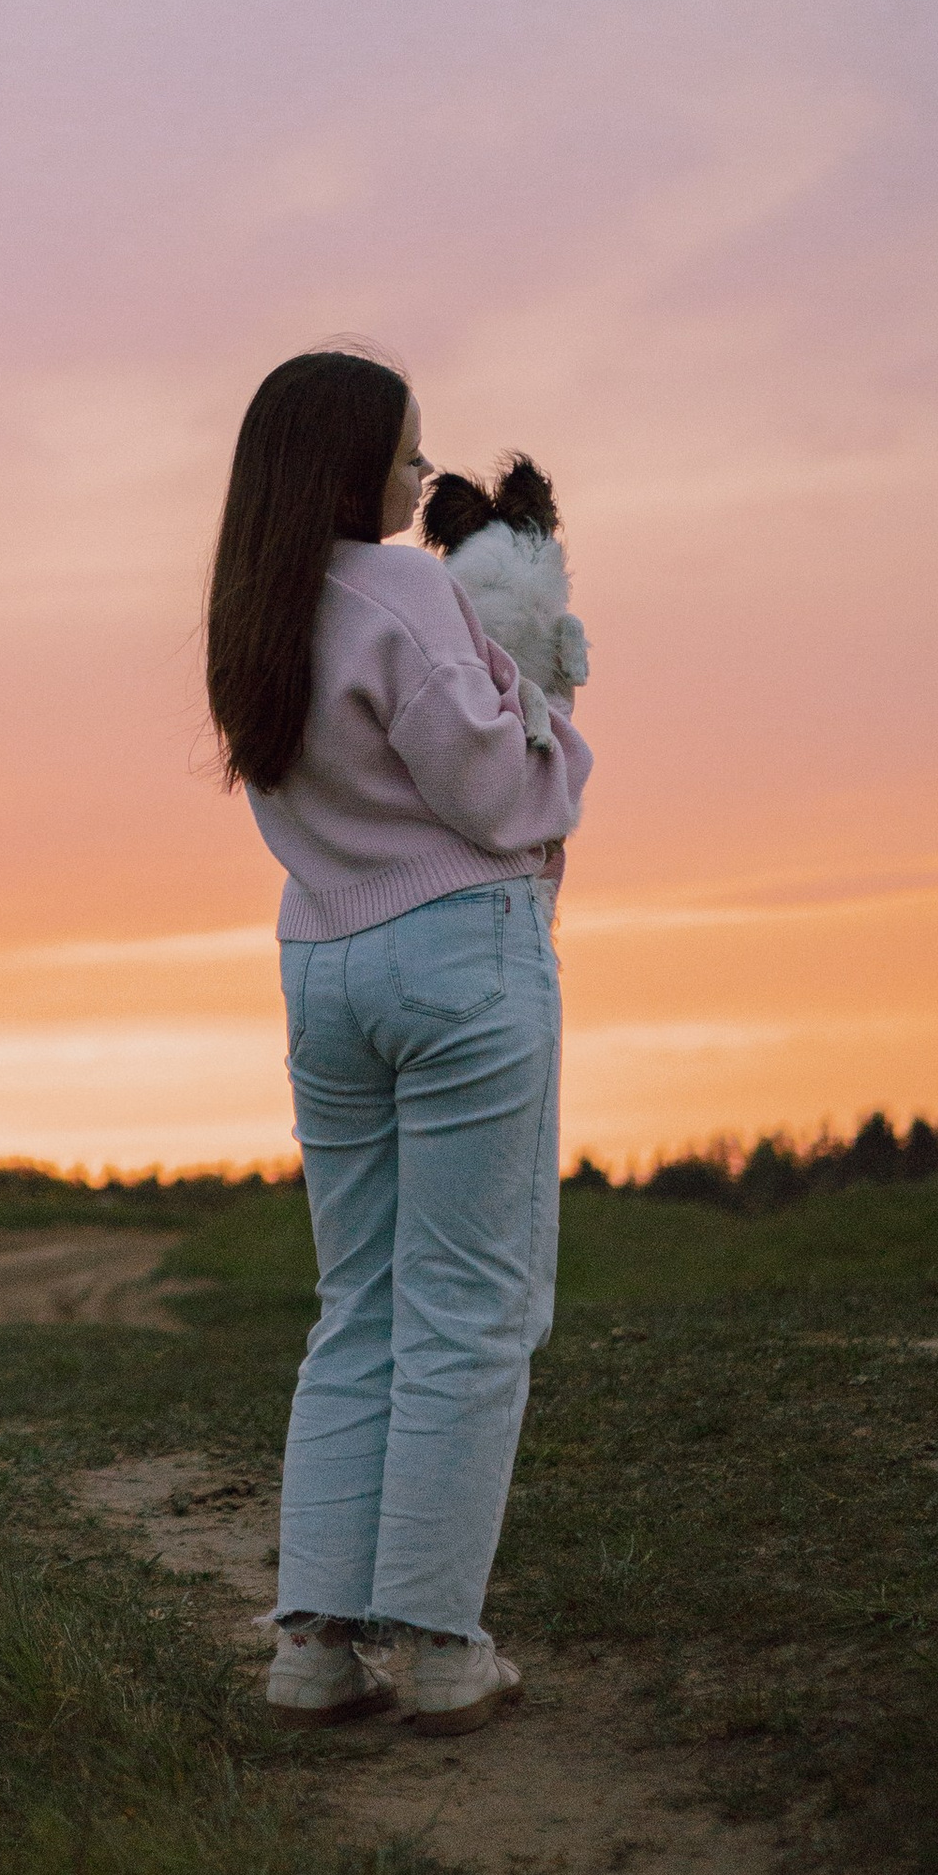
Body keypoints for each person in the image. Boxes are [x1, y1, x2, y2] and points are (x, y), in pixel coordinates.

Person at [204, 348, 590, 1734]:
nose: (425, 482)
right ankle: (435, 1644)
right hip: (456, 959)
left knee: (358, 1302)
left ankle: (315, 1645)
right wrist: (554, 722)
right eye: (410, 457)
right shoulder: (403, 589)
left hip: (323, 962)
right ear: (349, 465)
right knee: (472, 1306)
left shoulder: (251, 616)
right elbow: (497, 787)